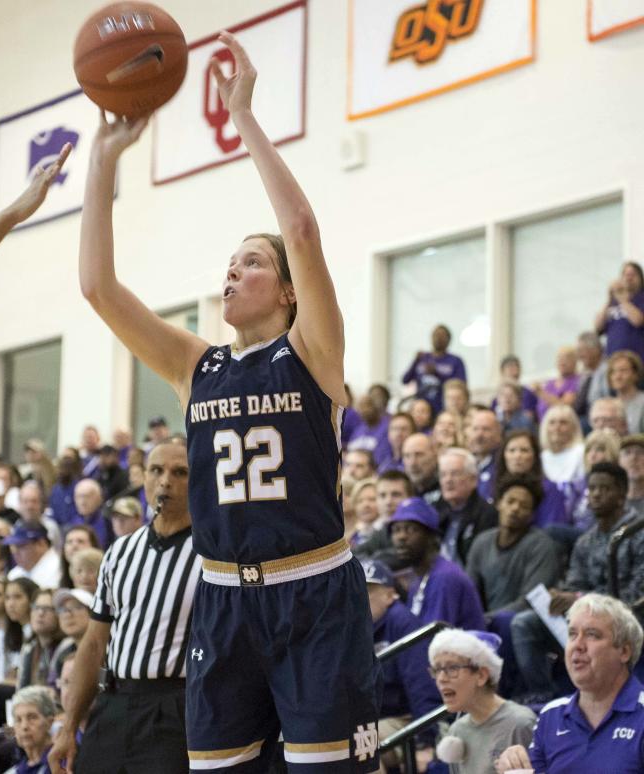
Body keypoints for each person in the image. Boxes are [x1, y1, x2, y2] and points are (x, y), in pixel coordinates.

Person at [72, 31, 379, 772]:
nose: (232, 272)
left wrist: (242, 113)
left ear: (287, 288)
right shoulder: (195, 365)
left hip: (313, 593)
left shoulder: (312, 352)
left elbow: (301, 229)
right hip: (222, 601)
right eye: (231, 262)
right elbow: (98, 290)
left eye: (251, 262)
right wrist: (104, 162)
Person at [50, 440, 202, 774]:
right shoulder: (119, 552)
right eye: (156, 470)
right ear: (144, 477)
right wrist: (69, 725)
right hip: (114, 700)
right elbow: (93, 643)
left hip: (175, 706)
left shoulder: (213, 554)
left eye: (180, 472)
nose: (165, 481)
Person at [511, 462, 644, 700]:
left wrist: (581, 599)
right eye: (592, 488)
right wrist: (561, 597)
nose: (596, 494)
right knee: (524, 623)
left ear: (622, 494)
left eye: (604, 488)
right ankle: (544, 698)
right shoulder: (585, 541)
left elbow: (636, 596)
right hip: (585, 617)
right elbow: (574, 584)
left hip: (629, 620)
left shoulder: (637, 532)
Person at [497, 594, 644, 773]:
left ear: (624, 652)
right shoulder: (551, 715)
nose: (577, 645)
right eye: (572, 634)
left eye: (592, 635)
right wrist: (514, 763)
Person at [362, 559, 439, 772]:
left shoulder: (402, 622)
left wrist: (426, 742)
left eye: (367, 592)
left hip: (405, 718)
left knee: (359, 749)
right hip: (375, 718)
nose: (357, 599)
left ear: (390, 595)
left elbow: (421, 684)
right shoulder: (357, 629)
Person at [428, 630, 535, 774]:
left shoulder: (520, 723)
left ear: (481, 675)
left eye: (452, 668)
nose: (441, 679)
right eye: (437, 669)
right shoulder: (457, 731)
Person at [464, 475, 561, 617]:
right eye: (510, 502)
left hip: (519, 624)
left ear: (532, 515)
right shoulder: (481, 542)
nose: (515, 508)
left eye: (524, 505)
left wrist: (486, 619)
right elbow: (469, 593)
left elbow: (530, 602)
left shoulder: (541, 545)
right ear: (499, 504)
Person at [389, 497, 486, 631]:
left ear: (431, 537)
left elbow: (433, 640)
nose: (401, 537)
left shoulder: (445, 577)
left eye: (411, 529)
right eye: (396, 530)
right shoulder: (420, 577)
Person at [434, 448, 498, 566]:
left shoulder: (487, 515)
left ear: (473, 480)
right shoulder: (434, 511)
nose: (448, 480)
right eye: (443, 475)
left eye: (455, 474)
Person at [491, 430, 568, 528]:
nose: (517, 456)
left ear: (535, 457)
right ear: (504, 456)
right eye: (512, 450)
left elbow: (552, 530)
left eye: (524, 450)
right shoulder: (494, 486)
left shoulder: (550, 489)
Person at [402, 325, 467, 414]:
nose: (438, 338)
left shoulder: (455, 361)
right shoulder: (422, 358)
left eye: (442, 336)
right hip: (421, 408)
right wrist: (414, 362)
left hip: (442, 408)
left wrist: (437, 374)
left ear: (449, 340)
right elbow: (405, 380)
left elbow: (460, 385)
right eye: (436, 335)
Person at [594, 260, 644, 363]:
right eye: (625, 274)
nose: (628, 278)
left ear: (640, 278)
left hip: (637, 362)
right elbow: (598, 327)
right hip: (613, 361)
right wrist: (609, 299)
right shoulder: (613, 303)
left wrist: (622, 300)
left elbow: (638, 320)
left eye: (632, 274)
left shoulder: (641, 298)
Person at [16, 587, 63, 690]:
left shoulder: (65, 649)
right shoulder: (29, 648)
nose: (40, 613)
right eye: (36, 607)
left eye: (48, 609)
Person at [9, 686, 58, 774]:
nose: (24, 726)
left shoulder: (62, 764)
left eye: (32, 718)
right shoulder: (15, 769)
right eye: (18, 720)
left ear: (49, 722)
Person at [5, 523, 63, 589]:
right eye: (14, 547)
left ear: (41, 544)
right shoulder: (14, 574)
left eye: (21, 546)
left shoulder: (60, 567)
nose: (15, 552)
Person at [533, 346, 580, 420]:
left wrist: (541, 393)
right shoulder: (549, 383)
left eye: (567, 358)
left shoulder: (577, 381)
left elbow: (564, 406)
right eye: (559, 358)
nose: (562, 361)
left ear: (575, 362)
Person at [606, 350, 644, 433]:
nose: (617, 376)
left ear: (635, 374)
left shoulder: (642, 402)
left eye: (623, 370)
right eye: (613, 371)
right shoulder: (606, 405)